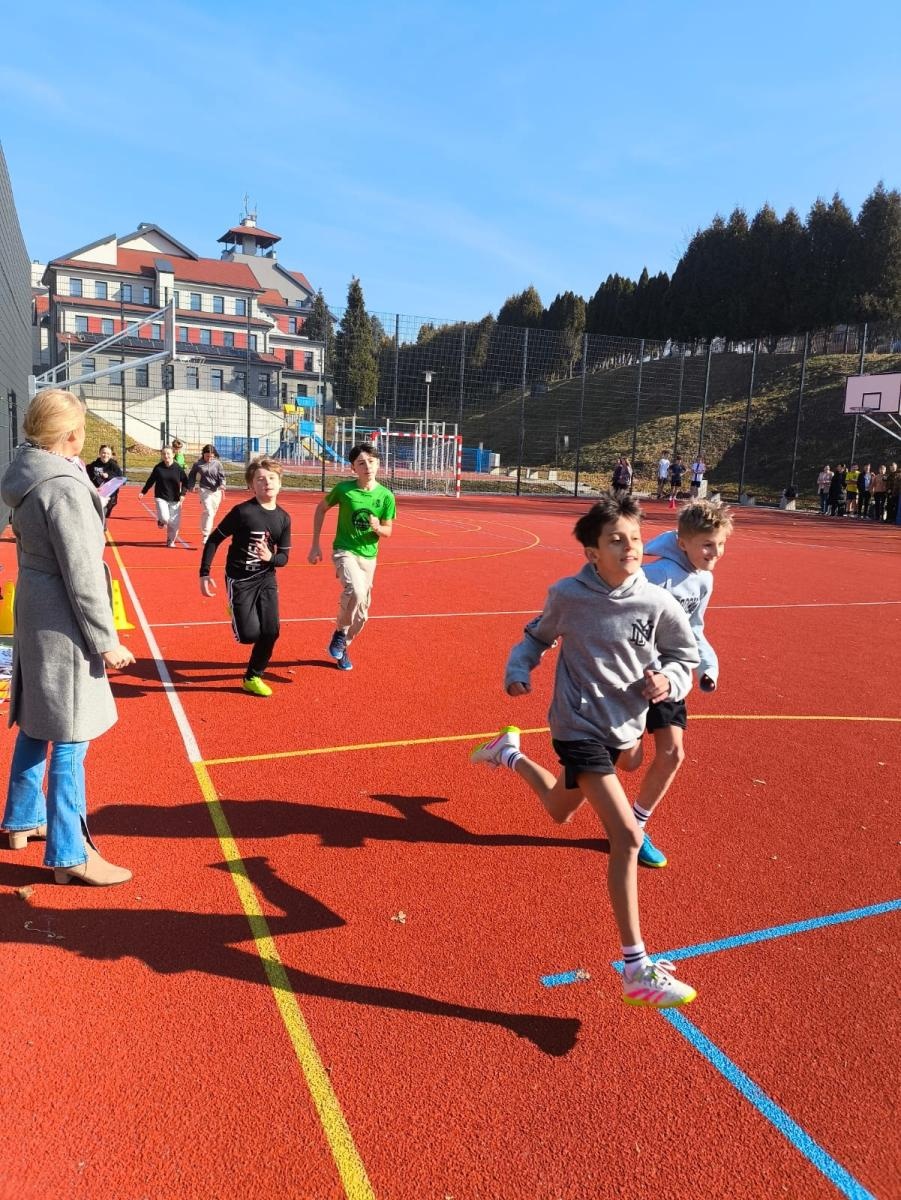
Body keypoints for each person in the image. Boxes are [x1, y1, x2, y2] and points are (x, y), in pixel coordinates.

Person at [470, 493, 700, 1008]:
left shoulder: (657, 603)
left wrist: (669, 679)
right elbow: (534, 639)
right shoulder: (568, 595)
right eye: (616, 540)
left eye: (635, 538)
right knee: (626, 837)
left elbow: (684, 656)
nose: (629, 547)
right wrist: (517, 669)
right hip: (576, 726)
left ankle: (508, 754)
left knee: (558, 810)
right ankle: (636, 967)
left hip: (623, 728)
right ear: (592, 551)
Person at [0, 389, 135, 885]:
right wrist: (107, 640)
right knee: (73, 734)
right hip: (64, 618)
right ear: (72, 435)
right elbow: (81, 573)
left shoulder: (27, 473)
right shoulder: (65, 485)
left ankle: (19, 821)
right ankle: (68, 852)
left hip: (36, 605)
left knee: (37, 720)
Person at [631, 500, 734, 868]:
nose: (715, 552)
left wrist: (708, 666)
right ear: (682, 542)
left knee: (673, 753)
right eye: (708, 544)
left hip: (670, 677)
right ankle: (510, 754)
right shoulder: (652, 576)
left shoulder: (705, 580)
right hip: (633, 679)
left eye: (721, 544)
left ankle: (635, 826)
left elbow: (694, 628)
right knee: (627, 761)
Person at [199, 457, 291, 697]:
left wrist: (270, 557)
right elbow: (215, 539)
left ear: (280, 483)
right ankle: (235, 610)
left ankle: (252, 676)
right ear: (252, 485)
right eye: (260, 479)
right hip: (240, 580)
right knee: (248, 636)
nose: (267, 483)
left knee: (271, 632)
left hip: (266, 579)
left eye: (271, 478)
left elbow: (283, 559)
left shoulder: (283, 518)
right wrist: (204, 573)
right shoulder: (242, 512)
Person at [308, 442, 396, 672]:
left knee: (363, 615)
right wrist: (315, 544)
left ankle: (343, 644)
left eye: (371, 461)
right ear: (353, 468)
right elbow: (320, 509)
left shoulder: (386, 496)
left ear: (378, 464)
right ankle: (339, 631)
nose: (367, 466)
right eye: (361, 463)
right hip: (344, 550)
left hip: (369, 557)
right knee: (354, 590)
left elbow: (388, 532)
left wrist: (377, 528)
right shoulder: (344, 490)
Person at [141, 445, 189, 546]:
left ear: (173, 455)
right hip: (161, 496)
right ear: (161, 455)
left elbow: (185, 482)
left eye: (168, 453)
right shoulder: (158, 468)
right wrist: (143, 492)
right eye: (164, 454)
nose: (166, 456)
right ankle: (161, 520)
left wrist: (183, 494)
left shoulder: (178, 468)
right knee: (165, 518)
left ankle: (170, 540)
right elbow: (151, 480)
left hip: (175, 498)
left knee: (174, 522)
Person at [187, 444, 227, 544]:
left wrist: (222, 484)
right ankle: (206, 535)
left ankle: (205, 526)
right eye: (207, 456)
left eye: (212, 456)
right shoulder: (198, 464)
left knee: (212, 512)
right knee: (209, 511)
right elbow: (192, 475)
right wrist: (191, 485)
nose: (209, 458)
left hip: (216, 491)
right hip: (204, 490)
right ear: (203, 454)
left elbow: (222, 476)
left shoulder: (218, 464)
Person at [86, 443, 124, 519]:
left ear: (111, 455)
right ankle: (103, 528)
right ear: (99, 453)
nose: (105, 455)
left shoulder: (114, 466)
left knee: (106, 513)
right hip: (97, 492)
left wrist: (108, 476)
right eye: (103, 453)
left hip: (110, 495)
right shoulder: (94, 465)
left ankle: (104, 525)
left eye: (108, 453)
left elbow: (121, 479)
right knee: (99, 514)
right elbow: (87, 476)